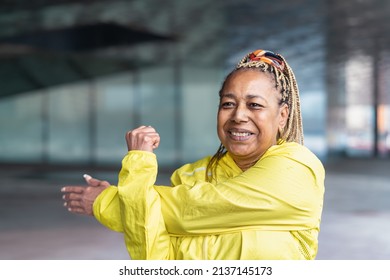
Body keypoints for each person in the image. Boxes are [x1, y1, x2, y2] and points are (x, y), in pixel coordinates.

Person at [61, 49, 325, 260]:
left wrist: (115, 201)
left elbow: (191, 210)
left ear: (282, 116)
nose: (238, 116)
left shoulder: (298, 169)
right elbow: (157, 259)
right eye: (228, 104)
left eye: (254, 105)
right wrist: (138, 167)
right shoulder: (191, 175)